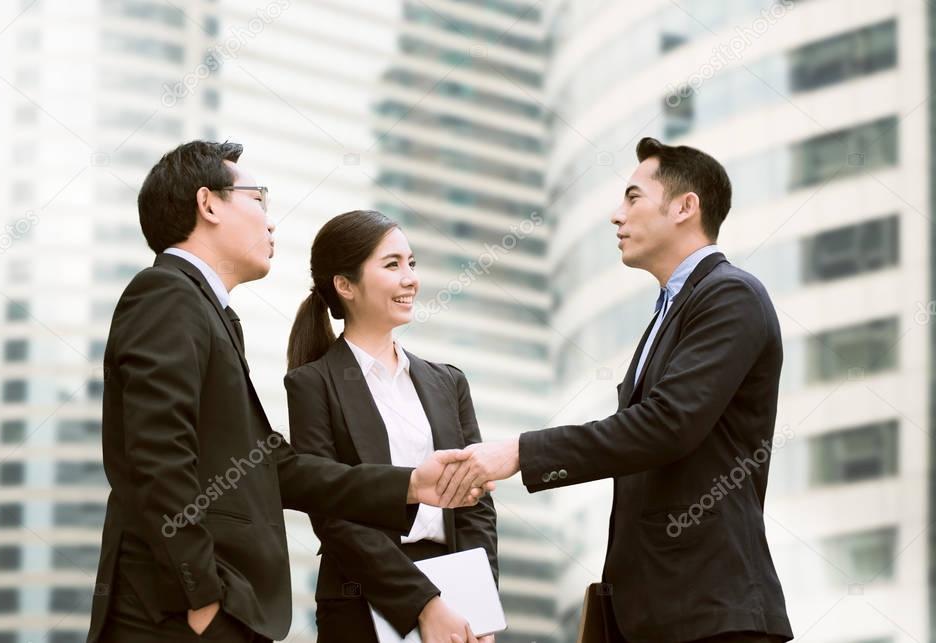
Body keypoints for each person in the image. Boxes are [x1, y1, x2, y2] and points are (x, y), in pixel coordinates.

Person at [86, 141, 489, 643]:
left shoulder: (207, 312)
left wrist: (409, 485)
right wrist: (203, 600)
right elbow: (157, 459)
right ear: (208, 204)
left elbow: (275, 467)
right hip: (172, 616)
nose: (271, 222)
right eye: (259, 200)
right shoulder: (168, 295)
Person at [444, 138, 794, 642]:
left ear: (684, 207)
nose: (616, 215)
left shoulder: (730, 295)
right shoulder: (672, 309)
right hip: (657, 614)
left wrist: (518, 453)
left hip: (711, 613)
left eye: (633, 198)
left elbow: (667, 424)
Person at [283, 210, 499, 643]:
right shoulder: (313, 384)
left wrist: (480, 605)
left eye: (412, 263)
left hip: (459, 597)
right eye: (392, 264)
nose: (410, 278)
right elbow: (332, 513)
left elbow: (476, 504)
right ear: (345, 285)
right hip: (362, 601)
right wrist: (423, 605)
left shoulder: (447, 382)